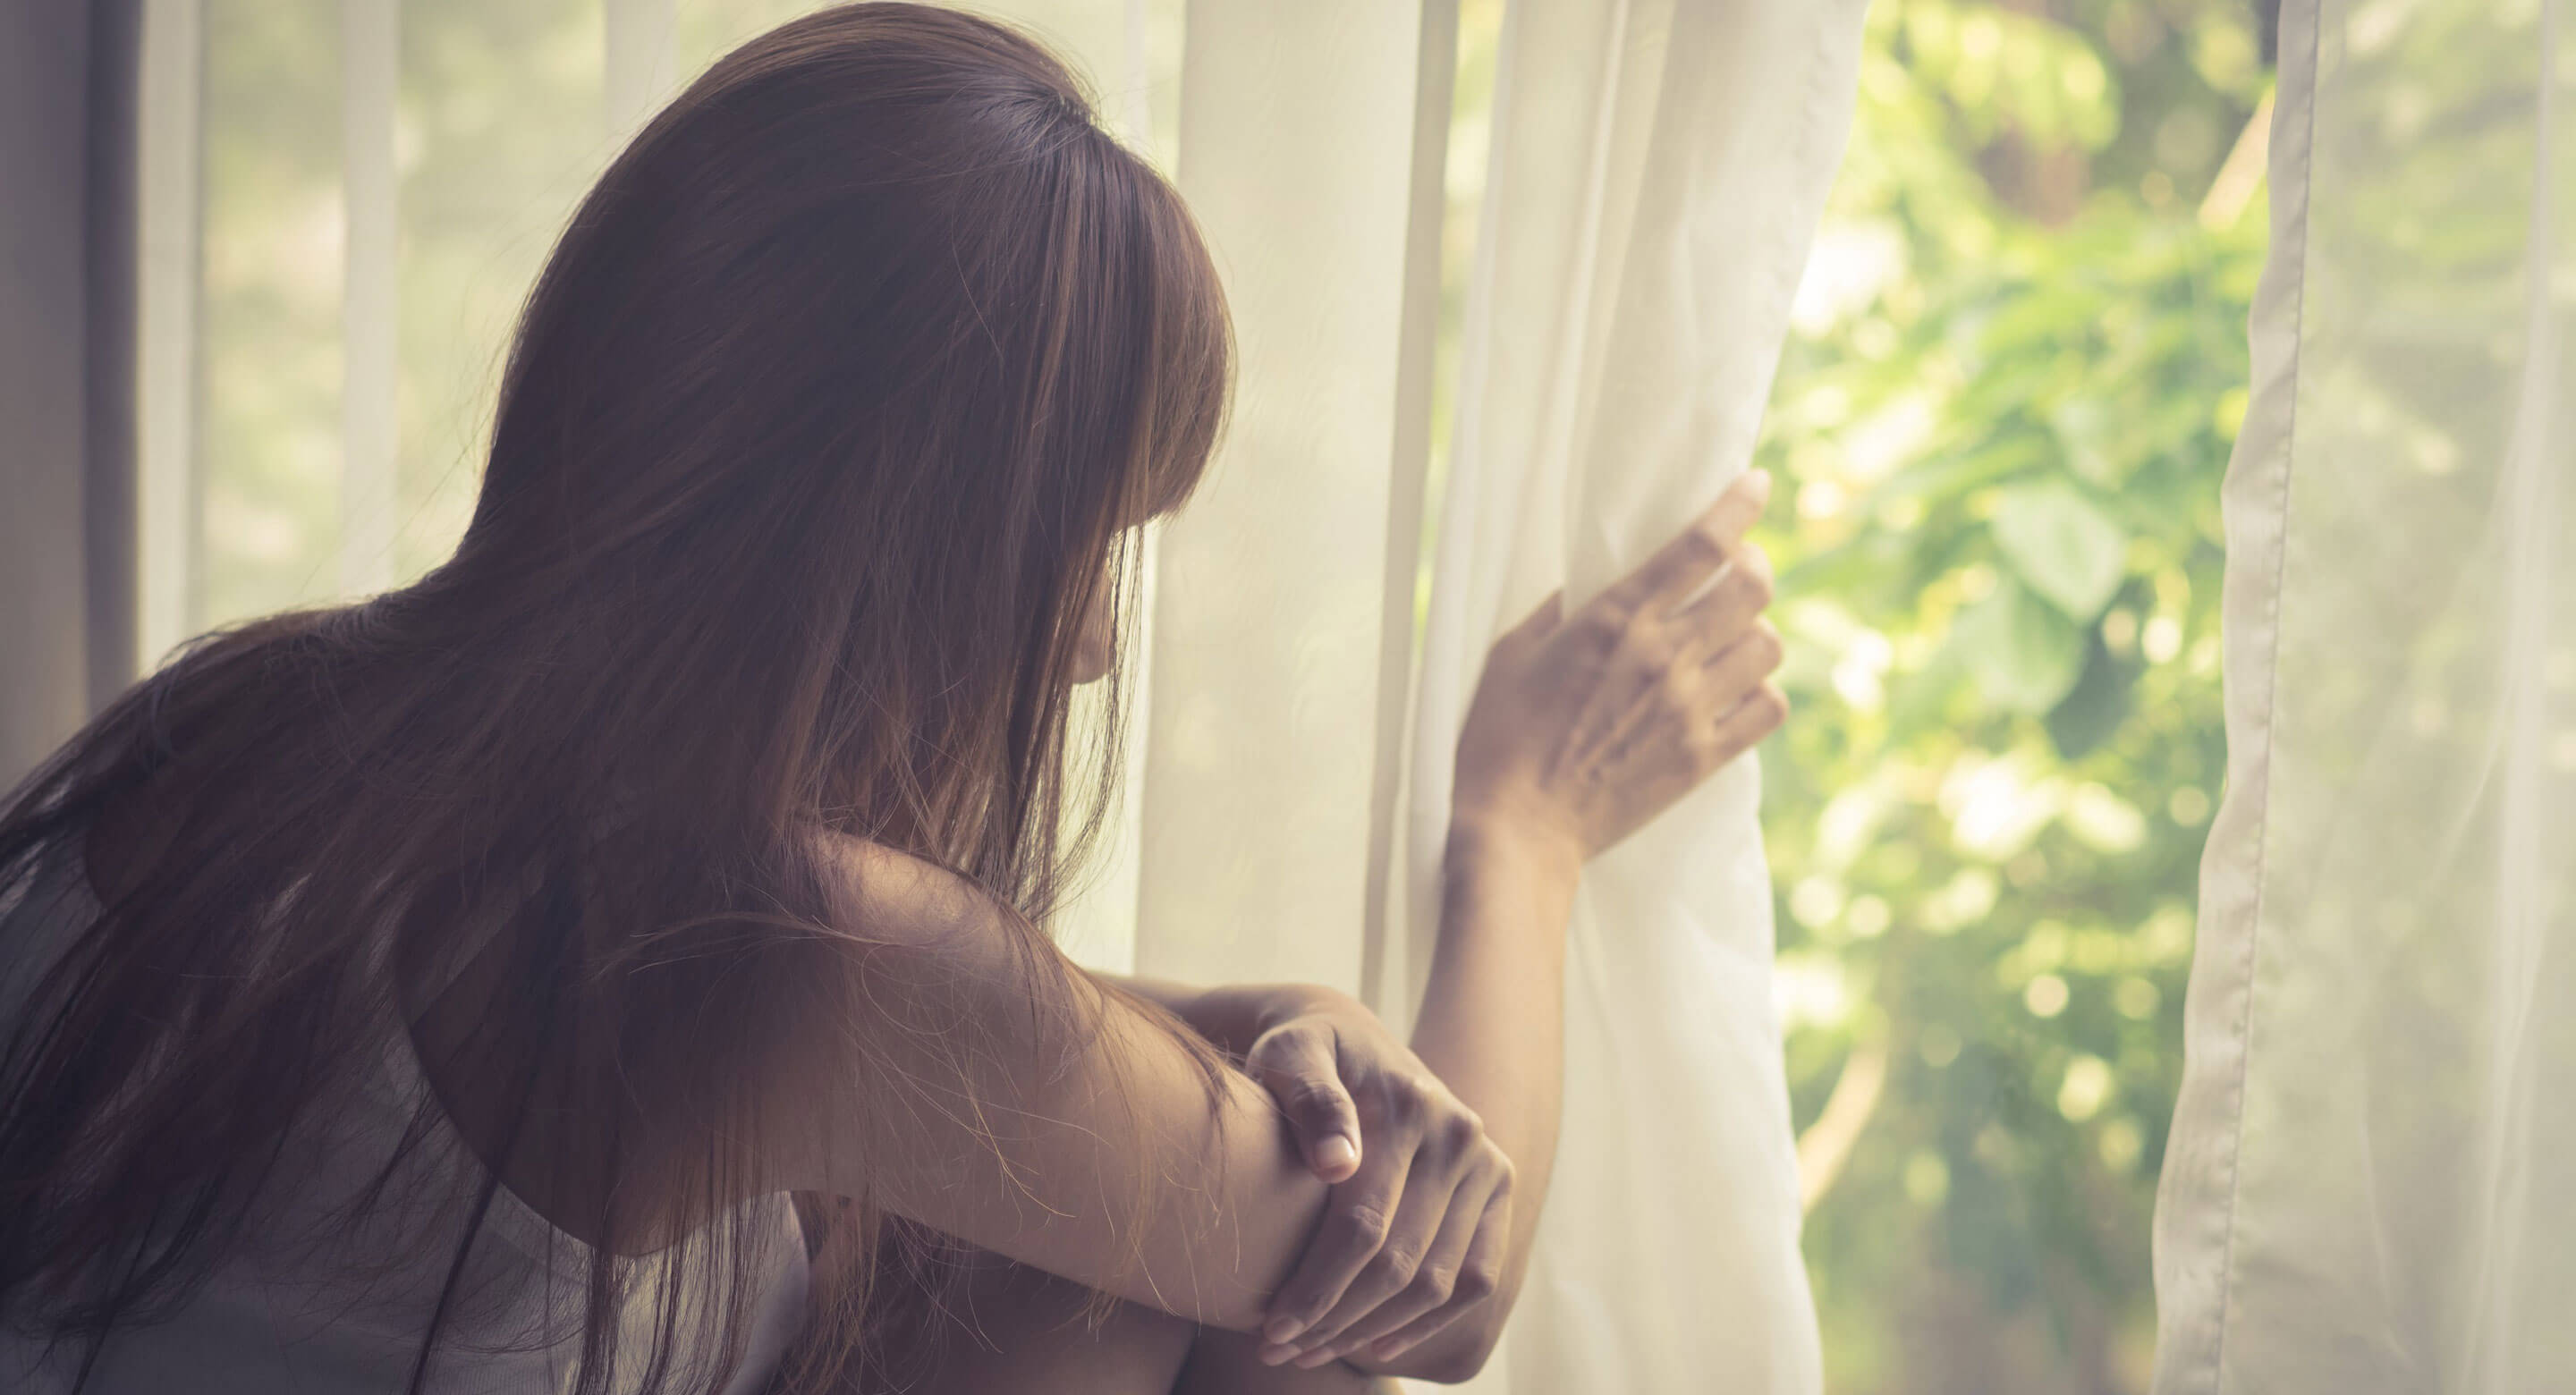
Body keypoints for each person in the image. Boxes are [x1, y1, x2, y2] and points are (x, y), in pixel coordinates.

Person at [0, 5, 1786, 1392]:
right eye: (1079, 548)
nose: (1087, 647)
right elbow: (1415, 1296)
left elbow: (1010, 1051)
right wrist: (1524, 835)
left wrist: (1289, 1008)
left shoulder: (238, 728)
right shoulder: (775, 949)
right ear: (897, 546)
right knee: (1121, 1275)